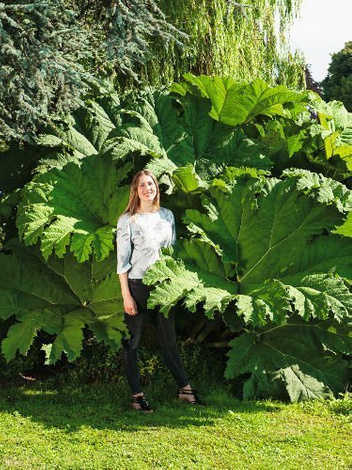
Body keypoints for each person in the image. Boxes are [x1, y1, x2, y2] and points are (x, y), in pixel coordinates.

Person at [116, 169, 200, 413]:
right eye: (142, 185)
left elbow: (171, 251)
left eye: (150, 184)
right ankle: (137, 396)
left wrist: (174, 282)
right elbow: (122, 261)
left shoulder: (167, 216)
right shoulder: (128, 220)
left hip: (163, 285)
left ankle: (185, 389)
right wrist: (126, 296)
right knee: (133, 342)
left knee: (169, 340)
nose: (147, 189)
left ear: (156, 188)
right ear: (136, 190)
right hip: (138, 285)